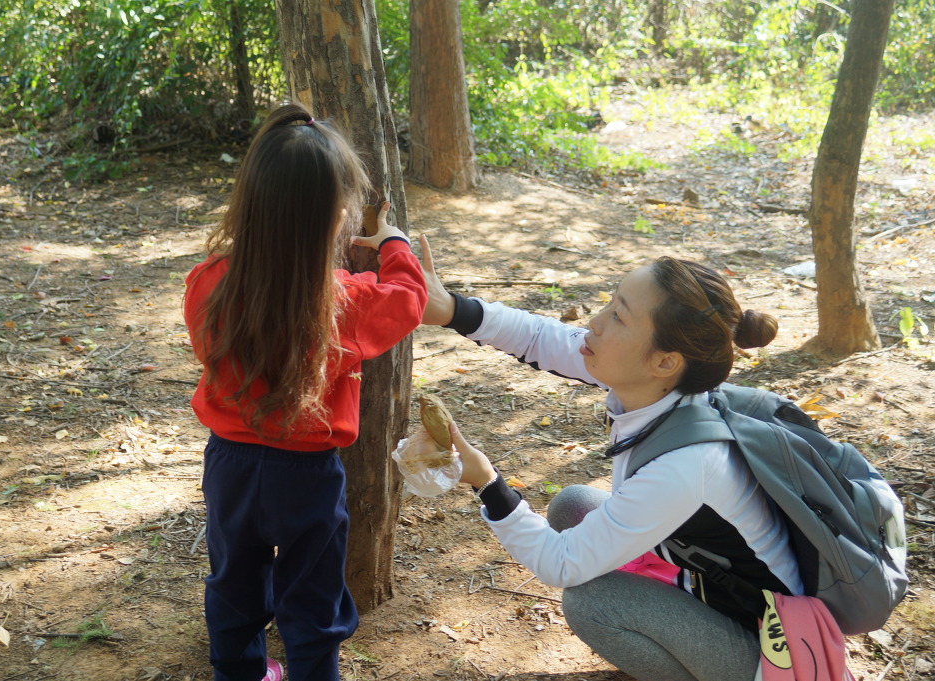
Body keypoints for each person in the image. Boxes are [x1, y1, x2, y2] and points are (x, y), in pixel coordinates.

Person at [419, 235, 791, 681]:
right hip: (706, 581)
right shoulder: (663, 387)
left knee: (593, 603)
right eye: (610, 303)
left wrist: (486, 483)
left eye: (618, 316)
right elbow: (541, 337)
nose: (594, 323)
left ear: (665, 361)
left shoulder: (688, 463)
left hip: (770, 648)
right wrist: (450, 309)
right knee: (572, 505)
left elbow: (560, 565)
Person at [183, 103, 427, 681]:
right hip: (308, 476)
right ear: (335, 217)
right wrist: (393, 244)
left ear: (252, 202)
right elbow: (408, 298)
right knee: (312, 592)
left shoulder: (208, 284)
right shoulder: (345, 300)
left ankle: (237, 672)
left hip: (230, 465)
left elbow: (208, 349)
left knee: (233, 582)